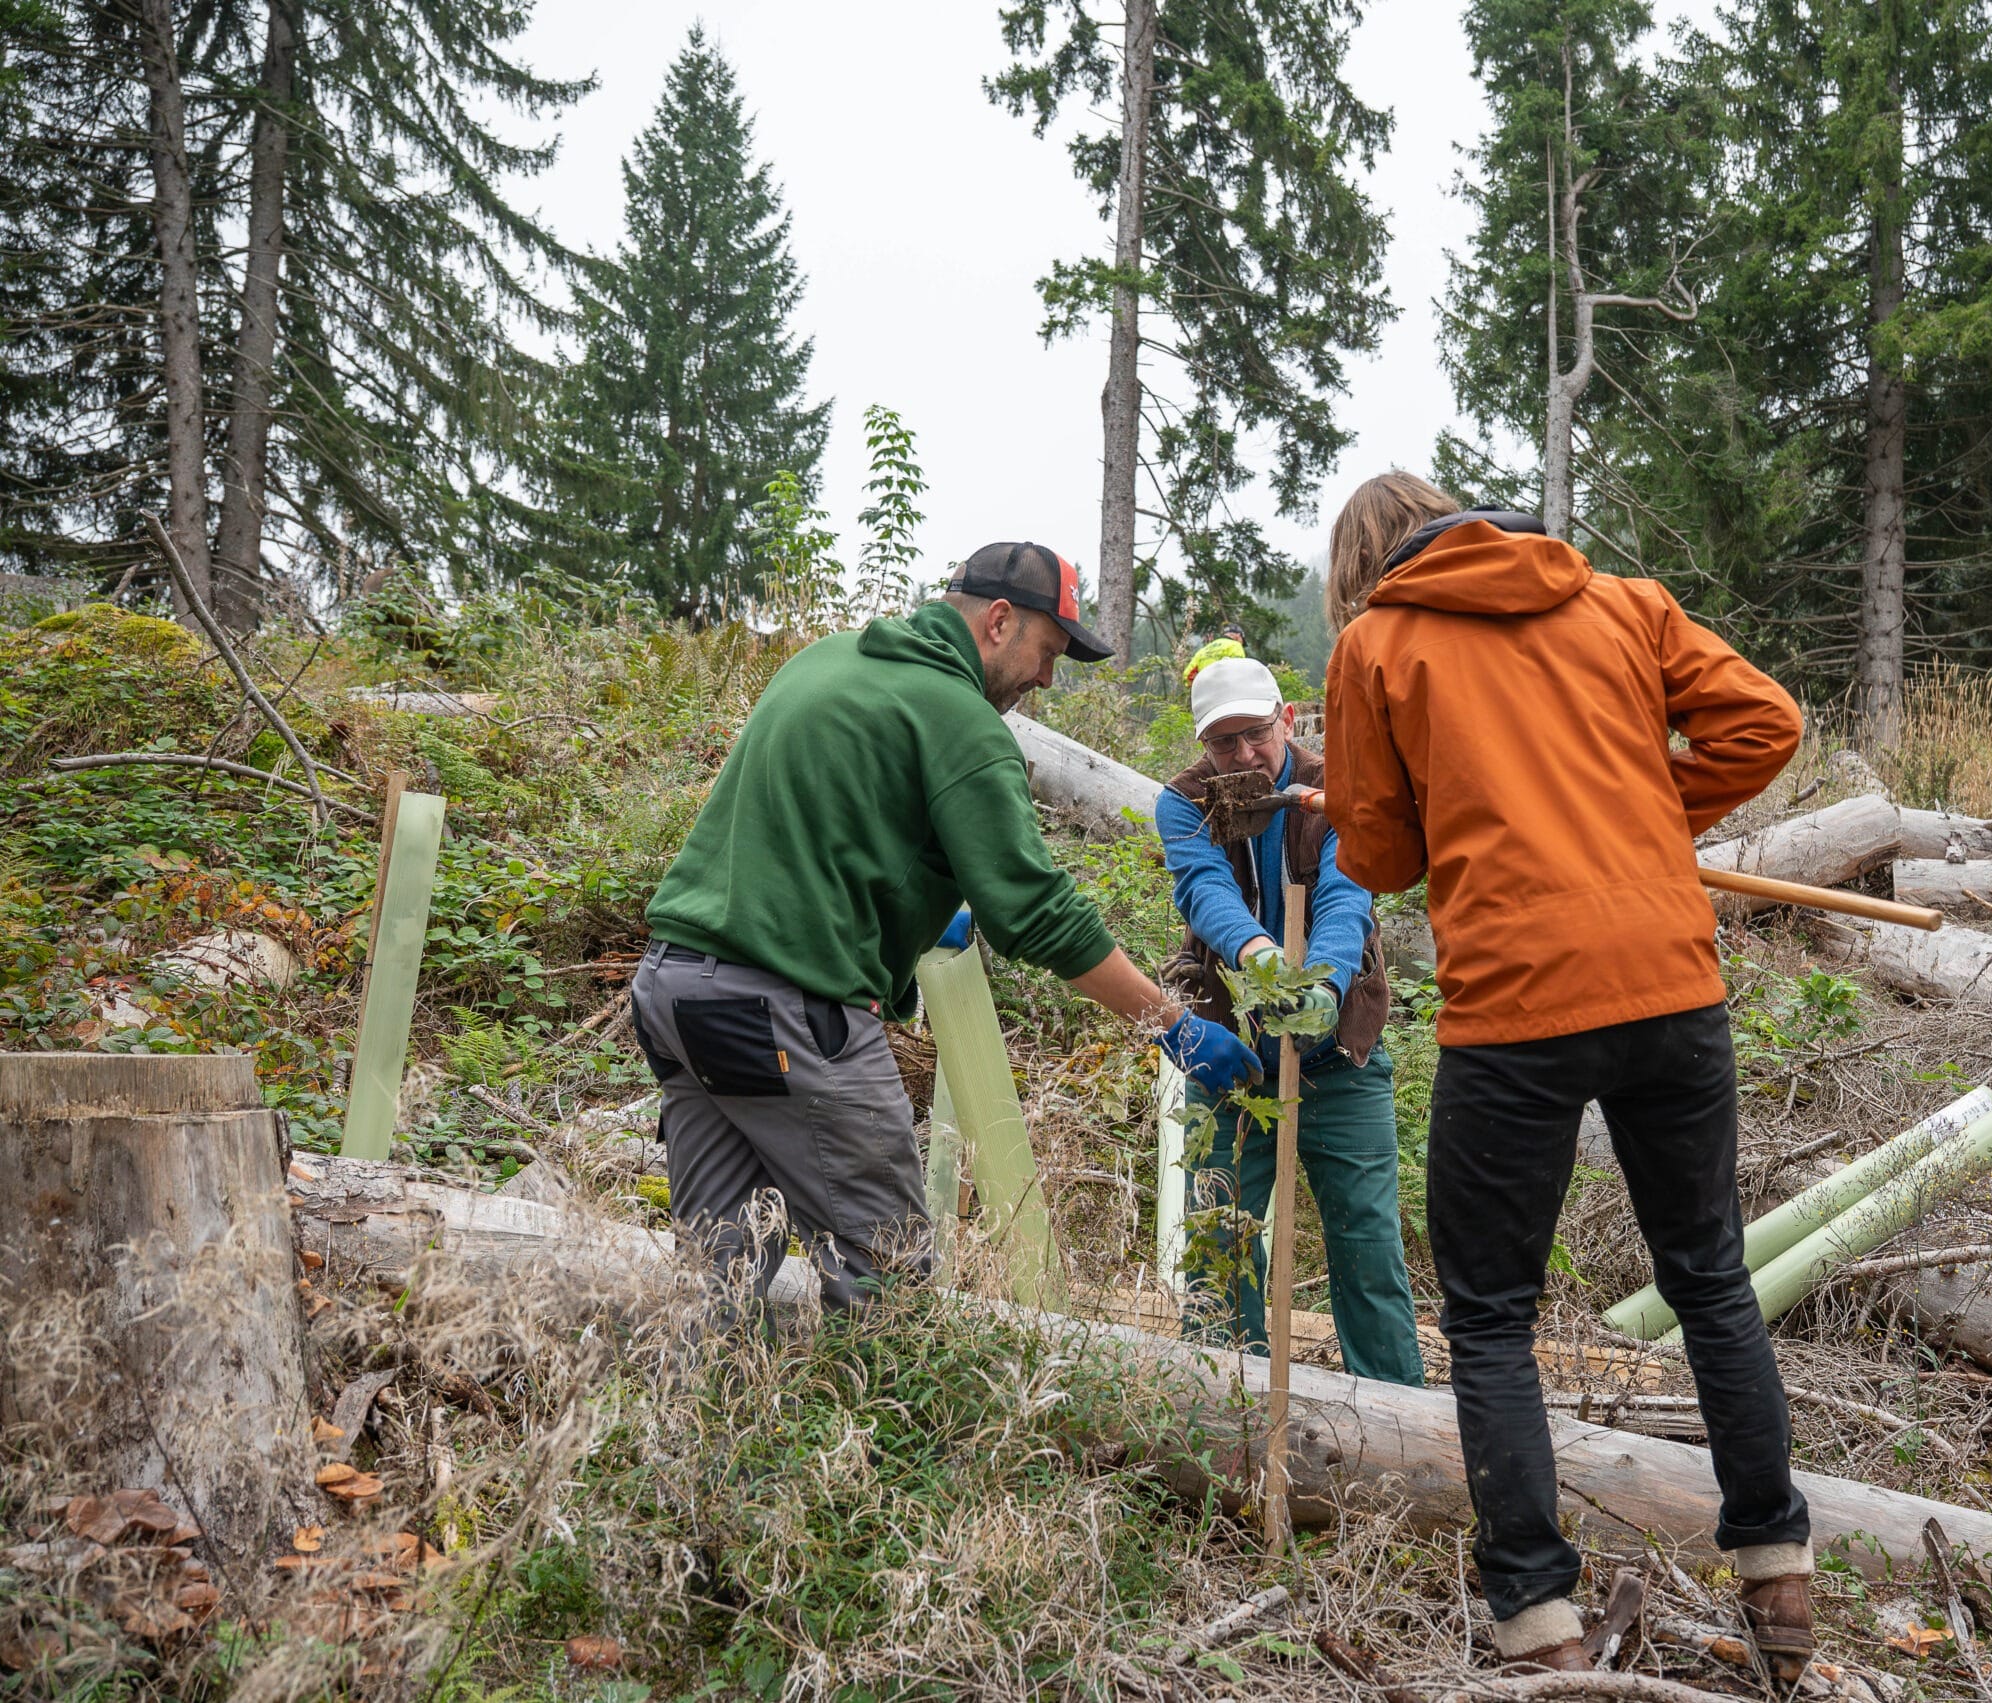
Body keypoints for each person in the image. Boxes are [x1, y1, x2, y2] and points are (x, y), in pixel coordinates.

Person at [1320, 473, 1815, 1676]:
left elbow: (1376, 853)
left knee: (1492, 1317)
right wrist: (1633, 818)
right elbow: (1766, 724)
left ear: (1363, 567)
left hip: (1516, 1005)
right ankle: (1779, 1571)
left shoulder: (1377, 644)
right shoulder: (1621, 601)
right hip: (1668, 982)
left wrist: (1500, 820)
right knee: (1709, 1275)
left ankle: (1539, 1621)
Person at [632, 542, 1261, 1311]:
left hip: (674, 994)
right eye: (1048, 651)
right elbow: (1037, 912)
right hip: (787, 1013)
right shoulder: (962, 721)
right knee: (891, 1280)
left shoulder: (825, 661)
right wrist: (1172, 1024)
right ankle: (882, 1395)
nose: (1046, 678)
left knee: (713, 1284)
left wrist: (923, 904)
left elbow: (825, 831)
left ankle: (689, 1392)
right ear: (998, 621)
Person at [1154, 649, 1426, 1386]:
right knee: (1219, 1245)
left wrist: (1324, 984)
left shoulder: (1333, 791)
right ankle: (1225, 1409)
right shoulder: (1184, 802)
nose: (1243, 753)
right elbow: (1204, 889)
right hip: (1230, 1059)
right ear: (1202, 744)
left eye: (1255, 733)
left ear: (1287, 719)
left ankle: (1397, 1420)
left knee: (1368, 1249)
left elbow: (1346, 894)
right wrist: (1262, 956)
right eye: (1223, 741)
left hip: (1339, 1058)